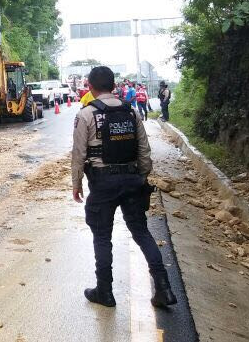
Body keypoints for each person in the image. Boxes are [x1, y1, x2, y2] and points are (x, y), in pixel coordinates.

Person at [71, 66, 176, 308]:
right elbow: (144, 151)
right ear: (114, 85)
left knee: (102, 237)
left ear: (90, 86)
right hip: (132, 180)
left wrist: (77, 183)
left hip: (103, 184)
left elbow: (78, 154)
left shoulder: (86, 115)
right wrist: (140, 177)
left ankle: (105, 292)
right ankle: (164, 288)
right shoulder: (131, 113)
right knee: (141, 232)